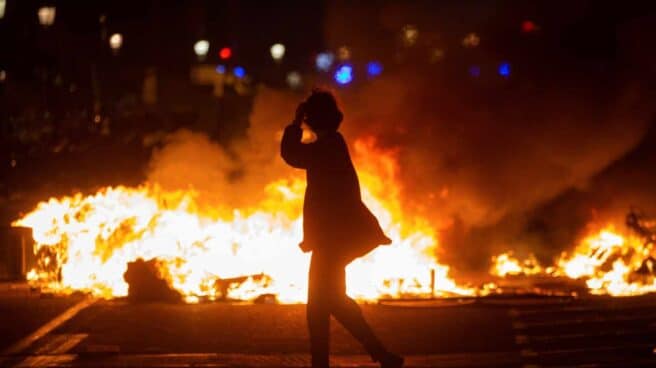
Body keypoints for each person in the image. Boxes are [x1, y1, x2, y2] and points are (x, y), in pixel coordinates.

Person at [280, 89, 404, 368]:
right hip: (334, 237)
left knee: (321, 303)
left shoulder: (330, 146)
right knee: (330, 300)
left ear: (313, 119)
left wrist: (294, 123)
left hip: (334, 238)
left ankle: (344, 359)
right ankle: (379, 354)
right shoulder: (332, 144)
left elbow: (292, 154)